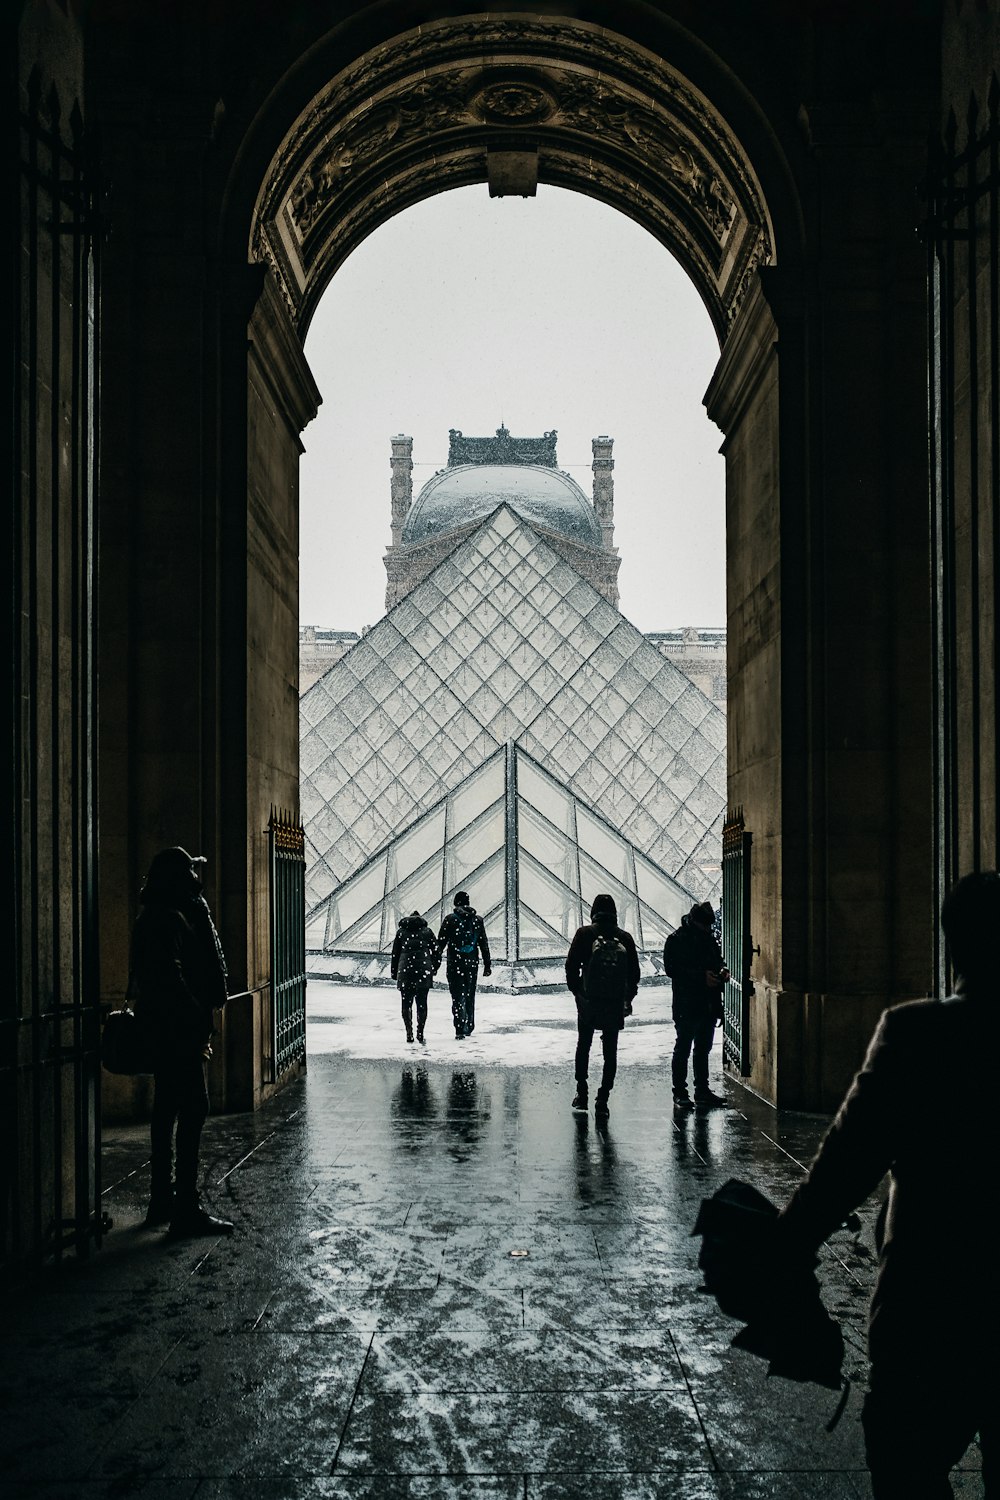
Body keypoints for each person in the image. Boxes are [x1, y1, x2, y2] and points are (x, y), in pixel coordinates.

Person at [775, 872, 996, 1499]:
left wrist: (785, 1248)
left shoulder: (917, 1034)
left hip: (932, 1302)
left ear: (950, 944)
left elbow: (845, 1166)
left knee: (906, 1464)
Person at [130, 846, 234, 1237]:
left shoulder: (157, 915)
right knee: (194, 1107)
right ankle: (185, 1207)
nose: (197, 878)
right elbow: (170, 980)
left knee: (166, 1108)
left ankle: (162, 1199)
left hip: (163, 1029)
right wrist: (196, 1017)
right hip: (177, 1031)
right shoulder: (171, 918)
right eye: (191, 871)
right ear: (177, 878)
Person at [565, 893, 640, 1121]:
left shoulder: (585, 934)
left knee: (584, 1045)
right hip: (613, 1003)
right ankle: (603, 1099)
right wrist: (627, 998)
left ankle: (582, 1091)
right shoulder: (624, 938)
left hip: (589, 1001)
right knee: (610, 1052)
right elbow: (634, 974)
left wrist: (578, 991)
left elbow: (571, 966)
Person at [663, 900, 729, 1111]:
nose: (708, 929)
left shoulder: (704, 938)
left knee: (701, 1048)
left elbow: (717, 961)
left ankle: (700, 1091)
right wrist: (703, 977)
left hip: (703, 1002)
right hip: (689, 1002)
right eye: (705, 925)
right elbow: (672, 969)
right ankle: (681, 1092)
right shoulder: (677, 940)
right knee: (685, 1048)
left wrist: (721, 971)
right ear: (695, 921)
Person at [436, 891, 491, 1039]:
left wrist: (435, 965)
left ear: (455, 903)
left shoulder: (450, 920)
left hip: (455, 963)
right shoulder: (477, 920)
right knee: (469, 994)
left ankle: (459, 1027)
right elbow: (483, 944)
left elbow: (440, 944)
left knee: (457, 996)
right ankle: (469, 1025)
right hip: (472, 963)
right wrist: (487, 965)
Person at [390, 910, 438, 1042]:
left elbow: (395, 954)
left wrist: (394, 973)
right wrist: (434, 967)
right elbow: (437, 951)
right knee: (422, 1003)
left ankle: (409, 1032)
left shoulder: (401, 932)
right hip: (423, 972)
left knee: (406, 1004)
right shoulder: (427, 932)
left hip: (405, 972)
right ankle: (420, 1031)